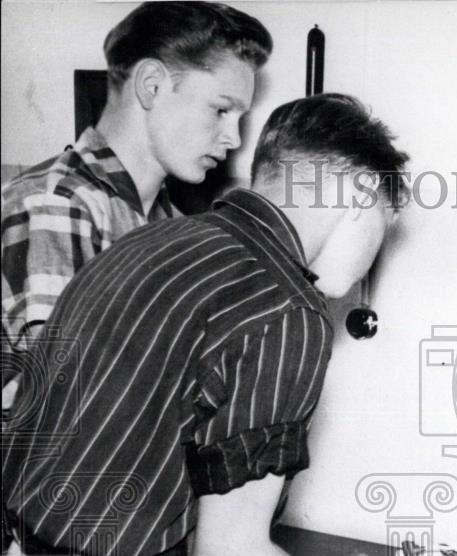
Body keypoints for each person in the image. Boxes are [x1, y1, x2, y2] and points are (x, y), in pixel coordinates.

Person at [2, 93, 457, 556]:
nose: (370, 264)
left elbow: (153, 472)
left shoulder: (151, 244)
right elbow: (227, 555)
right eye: (381, 233)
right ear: (361, 196)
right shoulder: (283, 308)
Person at [1, 1, 272, 407]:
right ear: (152, 85)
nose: (233, 138)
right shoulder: (57, 202)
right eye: (221, 110)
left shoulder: (172, 223)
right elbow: (69, 398)